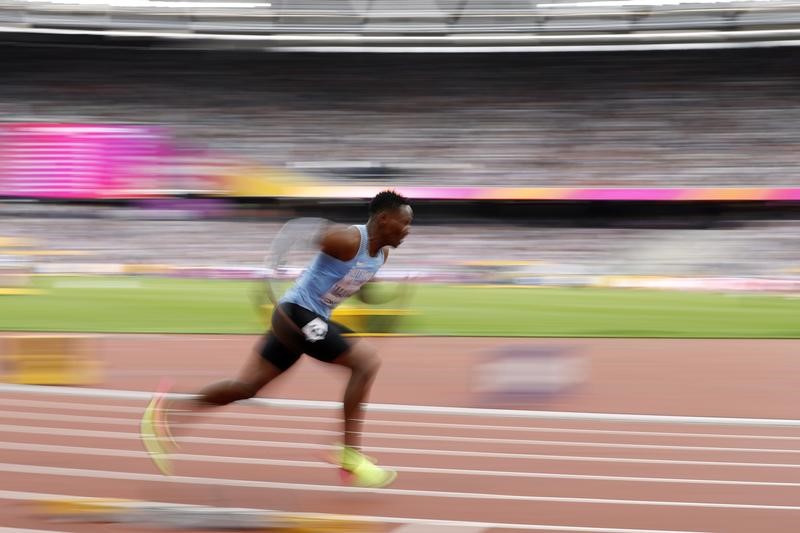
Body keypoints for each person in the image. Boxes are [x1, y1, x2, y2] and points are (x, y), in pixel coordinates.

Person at [141, 190, 413, 488]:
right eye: (404, 223)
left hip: (310, 319)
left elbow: (362, 289)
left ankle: (167, 412)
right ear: (384, 219)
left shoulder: (381, 255)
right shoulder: (348, 240)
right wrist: (272, 267)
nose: (407, 231)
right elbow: (299, 229)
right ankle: (350, 453)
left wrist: (391, 301)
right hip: (295, 313)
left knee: (246, 388)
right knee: (366, 363)